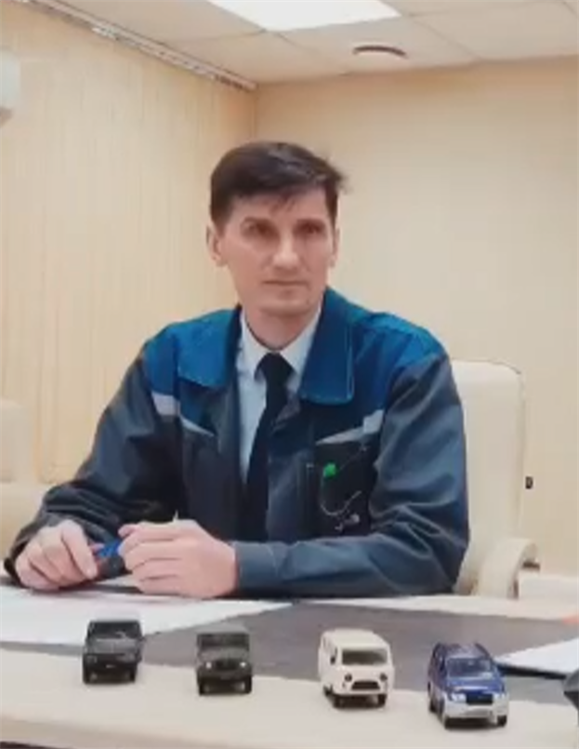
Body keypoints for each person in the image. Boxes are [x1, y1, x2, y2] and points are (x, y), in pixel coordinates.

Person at [4, 141, 469, 599]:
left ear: (335, 245)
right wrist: (53, 540)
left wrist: (240, 568)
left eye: (309, 231)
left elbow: (426, 547)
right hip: (201, 630)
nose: (287, 257)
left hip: (354, 631)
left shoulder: (404, 364)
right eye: (259, 231)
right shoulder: (172, 361)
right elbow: (98, 503)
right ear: (215, 244)